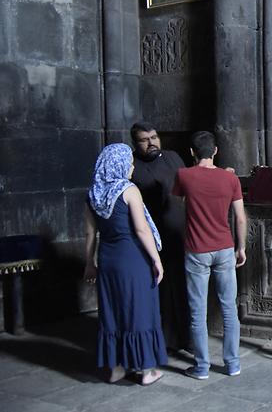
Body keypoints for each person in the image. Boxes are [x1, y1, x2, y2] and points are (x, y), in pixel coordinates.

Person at [83, 143, 167, 385]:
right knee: (139, 310)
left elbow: (90, 234)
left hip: (108, 260)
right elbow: (141, 229)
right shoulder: (129, 190)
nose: (131, 167)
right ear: (118, 164)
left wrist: (90, 263)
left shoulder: (92, 194)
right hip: (132, 259)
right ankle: (147, 370)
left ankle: (116, 368)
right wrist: (156, 258)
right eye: (129, 162)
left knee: (113, 312)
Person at [173, 131, 247, 379]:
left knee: (198, 311)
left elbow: (181, 205)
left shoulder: (183, 175)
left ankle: (202, 367)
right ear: (215, 151)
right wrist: (241, 247)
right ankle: (233, 364)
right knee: (229, 309)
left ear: (191, 152)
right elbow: (239, 217)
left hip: (196, 250)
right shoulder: (230, 179)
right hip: (225, 248)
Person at [130, 121, 190, 352]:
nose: (151, 142)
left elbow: (188, 185)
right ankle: (164, 341)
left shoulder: (172, 157)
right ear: (136, 143)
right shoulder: (132, 165)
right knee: (160, 290)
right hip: (152, 239)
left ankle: (187, 338)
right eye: (145, 140)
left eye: (154, 137)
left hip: (179, 234)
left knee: (184, 287)